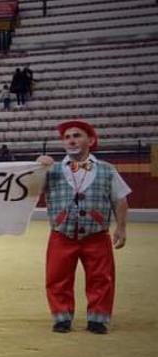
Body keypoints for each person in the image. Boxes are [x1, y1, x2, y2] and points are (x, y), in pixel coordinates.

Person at [36, 120, 130, 334]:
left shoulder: (107, 169)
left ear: (91, 140)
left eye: (77, 135)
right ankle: (61, 318)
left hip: (96, 235)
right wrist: (37, 167)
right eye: (67, 137)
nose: (71, 140)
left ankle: (98, 319)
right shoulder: (50, 169)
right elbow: (29, 190)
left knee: (101, 277)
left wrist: (121, 228)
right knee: (57, 277)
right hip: (62, 233)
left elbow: (120, 200)